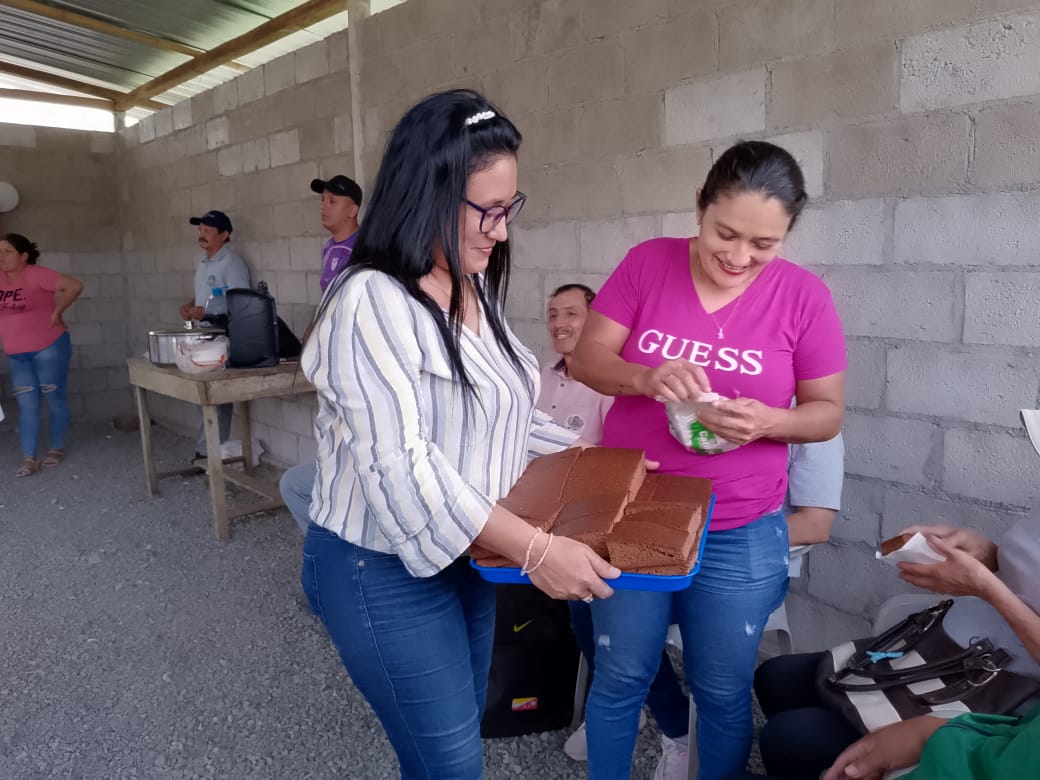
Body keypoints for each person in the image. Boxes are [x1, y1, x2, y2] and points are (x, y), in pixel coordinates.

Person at [299, 89, 620, 780]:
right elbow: (403, 470)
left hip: (466, 550)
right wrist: (538, 551)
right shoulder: (371, 300)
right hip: (376, 566)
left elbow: (505, 414)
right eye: (489, 211)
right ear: (429, 193)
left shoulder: (473, 288)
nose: (501, 232)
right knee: (449, 763)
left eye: (510, 208)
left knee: (459, 734)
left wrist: (597, 461)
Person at [569, 140, 847, 780]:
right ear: (700, 206)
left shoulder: (804, 297)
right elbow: (587, 360)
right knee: (622, 676)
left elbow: (827, 412)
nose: (740, 257)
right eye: (725, 234)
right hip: (637, 511)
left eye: (764, 244)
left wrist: (768, 421)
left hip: (740, 525)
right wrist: (644, 378)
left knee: (722, 689)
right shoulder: (648, 264)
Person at [746, 511, 1040, 780]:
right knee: (776, 677)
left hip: (996, 688)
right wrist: (988, 556)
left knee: (788, 737)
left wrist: (987, 587)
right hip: (940, 646)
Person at [280, 175, 363, 534]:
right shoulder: (331, 247)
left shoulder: (366, 249)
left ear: (353, 209)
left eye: (333, 201)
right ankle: (329, 505)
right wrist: (314, 326)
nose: (324, 207)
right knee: (330, 427)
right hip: (329, 356)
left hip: (353, 361)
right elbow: (330, 299)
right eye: (323, 200)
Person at [0, 233, 83, 477]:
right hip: (17, 353)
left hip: (48, 347)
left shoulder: (36, 274)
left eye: (7, 252)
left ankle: (56, 448)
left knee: (54, 397)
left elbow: (74, 285)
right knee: (26, 405)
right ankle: (29, 458)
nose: (1, 257)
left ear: (24, 256)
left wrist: (58, 312)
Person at [179, 210, 250, 462]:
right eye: (200, 230)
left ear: (224, 234)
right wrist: (191, 305)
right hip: (203, 335)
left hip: (222, 337)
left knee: (217, 399)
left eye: (207, 230)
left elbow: (241, 302)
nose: (202, 235)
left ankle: (212, 454)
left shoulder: (232, 263)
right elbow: (208, 293)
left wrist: (206, 311)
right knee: (202, 397)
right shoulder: (203, 261)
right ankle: (205, 451)